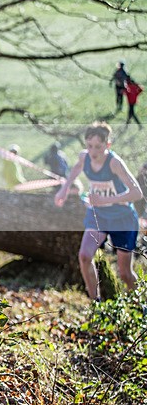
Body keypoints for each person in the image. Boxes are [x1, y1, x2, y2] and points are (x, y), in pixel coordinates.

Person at [54, 122, 142, 301]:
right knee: (85, 256)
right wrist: (64, 189)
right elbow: (76, 169)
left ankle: (139, 302)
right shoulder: (84, 157)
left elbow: (137, 193)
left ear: (107, 145)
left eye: (98, 147)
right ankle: (96, 303)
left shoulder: (115, 163)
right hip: (98, 216)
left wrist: (105, 200)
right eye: (89, 146)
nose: (93, 152)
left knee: (125, 273)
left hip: (122, 219)